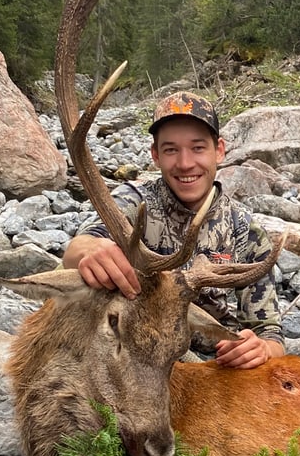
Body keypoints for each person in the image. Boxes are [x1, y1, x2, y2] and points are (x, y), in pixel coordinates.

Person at [62, 91, 284, 369]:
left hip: (212, 369)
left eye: (198, 148)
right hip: (136, 356)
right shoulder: (134, 201)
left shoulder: (246, 232)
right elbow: (76, 250)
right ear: (155, 155)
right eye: (170, 150)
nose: (185, 163)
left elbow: (271, 335)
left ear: (220, 150)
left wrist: (260, 349)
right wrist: (92, 251)